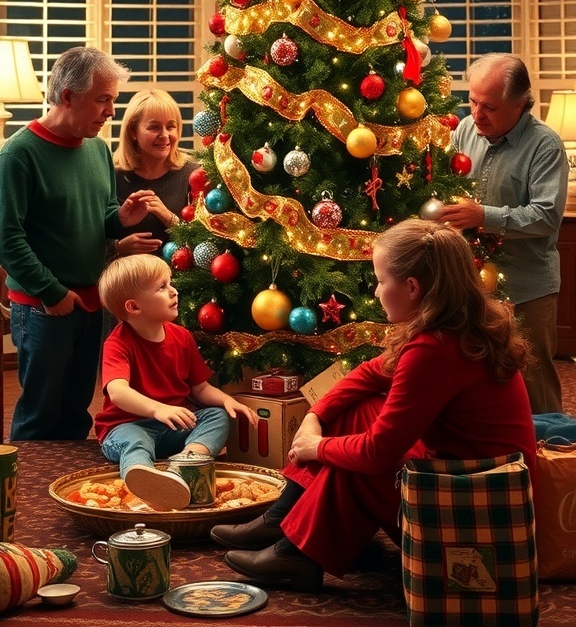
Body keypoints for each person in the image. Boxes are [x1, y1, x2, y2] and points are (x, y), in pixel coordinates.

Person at [209, 219, 537, 591]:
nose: (377, 291)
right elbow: (370, 372)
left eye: (381, 281)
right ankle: (283, 520)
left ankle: (296, 552)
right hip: (482, 480)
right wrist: (316, 415)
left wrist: (317, 447)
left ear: (412, 287)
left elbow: (377, 453)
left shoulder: (434, 349)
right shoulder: (458, 321)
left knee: (356, 461)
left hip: (479, 507)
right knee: (357, 411)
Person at [0, 46, 158, 441]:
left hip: (90, 302)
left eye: (113, 100)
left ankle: (69, 482)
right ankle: (27, 483)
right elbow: (6, 237)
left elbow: (103, 215)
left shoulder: (98, 149)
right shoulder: (18, 154)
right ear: (68, 96)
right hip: (43, 307)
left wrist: (122, 218)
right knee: (39, 418)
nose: (111, 112)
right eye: (103, 99)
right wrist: (51, 292)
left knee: (76, 414)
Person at [442, 53, 568, 414]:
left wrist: (483, 216)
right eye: (472, 101)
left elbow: (546, 216)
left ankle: (550, 448)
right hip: (471, 286)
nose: (477, 114)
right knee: (476, 383)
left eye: (490, 107)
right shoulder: (465, 131)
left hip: (526, 288)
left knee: (533, 386)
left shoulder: (545, 145)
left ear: (520, 104)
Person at [95, 253, 259, 510]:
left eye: (170, 283)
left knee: (217, 416)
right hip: (126, 427)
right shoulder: (118, 344)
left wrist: (227, 400)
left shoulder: (182, 337)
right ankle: (144, 482)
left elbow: (200, 388)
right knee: (136, 441)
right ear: (134, 307)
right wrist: (157, 409)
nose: (174, 291)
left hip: (171, 428)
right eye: (162, 287)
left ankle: (183, 464)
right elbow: (117, 392)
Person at [112, 89, 198, 257]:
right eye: (154, 127)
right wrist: (118, 247)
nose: (165, 135)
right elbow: (90, 234)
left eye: (171, 126)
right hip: (125, 272)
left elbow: (206, 241)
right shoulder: (111, 174)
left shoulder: (193, 175)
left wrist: (170, 219)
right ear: (133, 132)